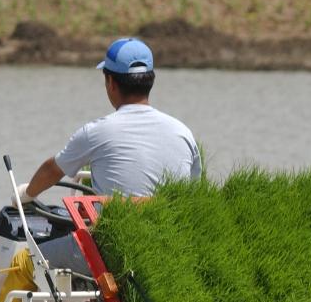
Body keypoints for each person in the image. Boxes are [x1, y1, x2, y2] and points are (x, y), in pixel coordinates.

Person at [17, 37, 201, 274]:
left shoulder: (97, 131)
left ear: (111, 82)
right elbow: (192, 195)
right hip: (168, 248)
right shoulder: (183, 133)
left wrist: (26, 194)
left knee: (22, 260)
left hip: (112, 251)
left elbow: (53, 170)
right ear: (151, 81)